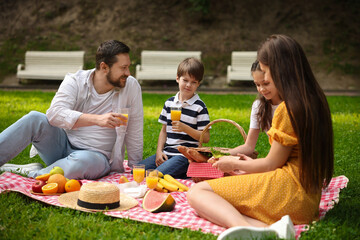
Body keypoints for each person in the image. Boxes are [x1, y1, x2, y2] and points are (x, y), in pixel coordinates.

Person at [187, 34, 334, 240]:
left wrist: (231, 163)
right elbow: (279, 161)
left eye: (265, 72)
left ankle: (243, 230)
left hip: (290, 194)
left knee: (197, 192)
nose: (263, 81)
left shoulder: (287, 109)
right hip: (308, 198)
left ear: (280, 69)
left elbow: (270, 165)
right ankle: (271, 231)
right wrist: (243, 164)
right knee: (228, 187)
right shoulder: (313, 100)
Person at [0, 40, 144, 180]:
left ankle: (36, 174)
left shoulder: (130, 86)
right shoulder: (75, 80)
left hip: (95, 157)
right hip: (61, 146)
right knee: (34, 118)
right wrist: (97, 119)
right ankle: (52, 170)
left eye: (128, 67)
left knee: (84, 162)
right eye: (123, 68)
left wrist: (135, 168)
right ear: (104, 67)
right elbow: (54, 113)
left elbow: (135, 130)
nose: (128, 73)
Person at [138, 57, 210, 179]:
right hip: (167, 153)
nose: (188, 85)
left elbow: (206, 137)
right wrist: (159, 152)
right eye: (185, 80)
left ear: (198, 83)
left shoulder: (199, 107)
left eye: (193, 82)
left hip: (185, 156)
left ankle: (186, 169)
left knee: (155, 176)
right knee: (138, 170)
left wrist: (185, 128)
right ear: (177, 78)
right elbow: (163, 131)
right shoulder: (169, 103)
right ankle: (178, 171)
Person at [228, 60, 281, 158]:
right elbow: (249, 146)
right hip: (275, 159)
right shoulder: (259, 106)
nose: (261, 89)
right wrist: (222, 155)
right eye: (257, 85)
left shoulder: (288, 107)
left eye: (266, 83)